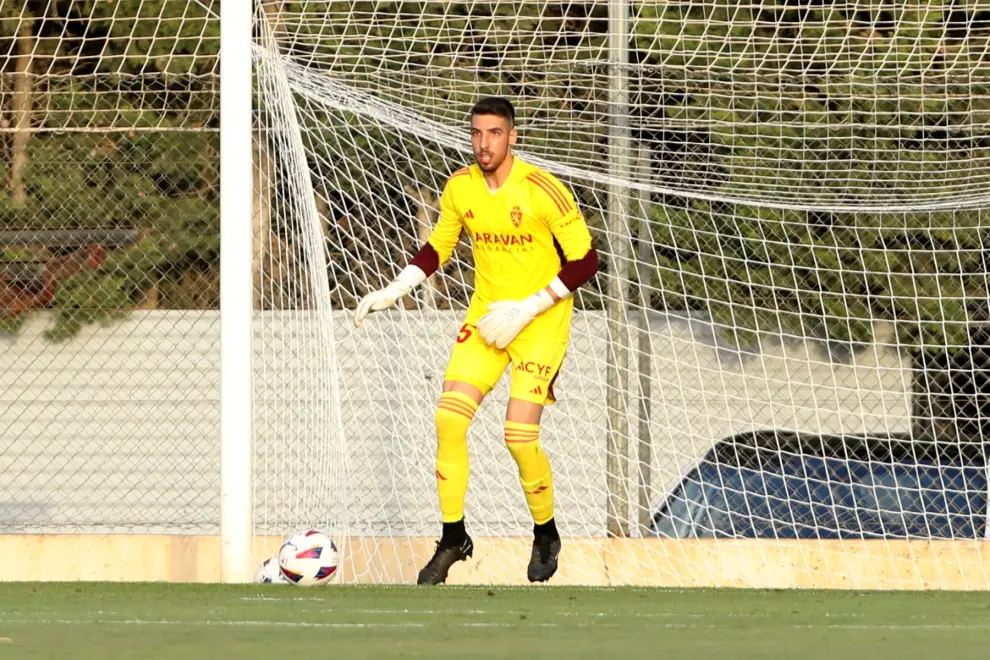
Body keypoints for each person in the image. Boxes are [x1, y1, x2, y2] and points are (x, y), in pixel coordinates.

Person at [354, 97, 599, 584]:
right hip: (487, 320)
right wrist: (396, 288)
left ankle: (546, 531)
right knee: (447, 418)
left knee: (518, 435)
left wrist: (528, 307)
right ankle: (453, 537)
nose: (484, 143)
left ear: (512, 136)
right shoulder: (460, 187)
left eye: (494, 133)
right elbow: (438, 246)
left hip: (540, 321)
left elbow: (586, 262)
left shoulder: (541, 190)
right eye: (477, 134)